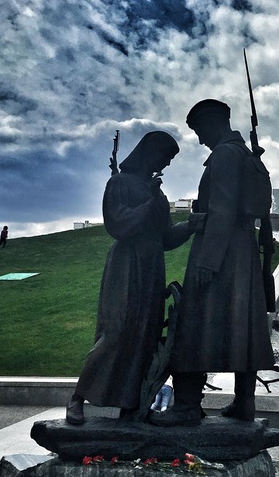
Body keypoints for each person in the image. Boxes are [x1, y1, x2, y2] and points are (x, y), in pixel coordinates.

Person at [66, 131, 202, 425]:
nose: (166, 163)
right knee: (116, 331)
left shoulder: (156, 190)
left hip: (151, 266)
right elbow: (118, 224)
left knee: (146, 334)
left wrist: (190, 226)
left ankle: (130, 404)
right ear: (150, 152)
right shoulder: (119, 183)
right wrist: (149, 203)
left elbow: (164, 236)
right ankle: (78, 397)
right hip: (127, 265)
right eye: (165, 156)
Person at [152, 99, 275, 427]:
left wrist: (208, 260)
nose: (200, 138)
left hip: (219, 250)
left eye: (200, 130)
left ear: (212, 122)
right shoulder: (246, 155)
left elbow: (221, 208)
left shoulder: (223, 155)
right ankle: (245, 403)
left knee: (193, 324)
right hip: (242, 253)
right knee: (242, 326)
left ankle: (187, 405)